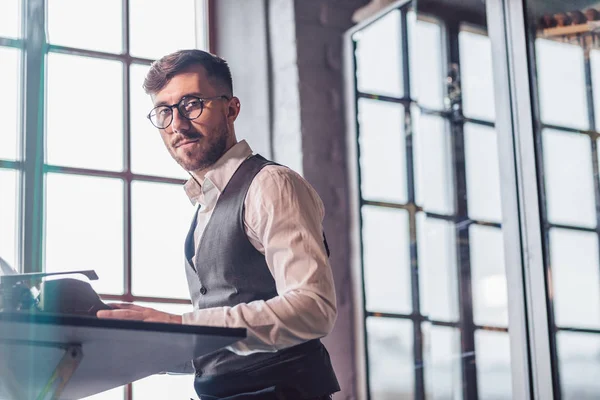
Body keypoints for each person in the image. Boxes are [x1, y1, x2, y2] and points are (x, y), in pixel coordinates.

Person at [97, 49, 340, 400]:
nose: (177, 124)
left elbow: (313, 308)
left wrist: (179, 325)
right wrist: (145, 348)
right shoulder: (206, 206)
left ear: (231, 109)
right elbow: (223, 350)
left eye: (192, 104)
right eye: (164, 111)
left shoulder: (271, 184)